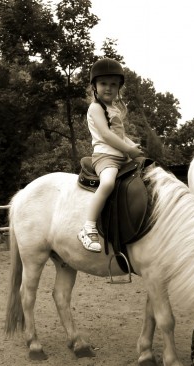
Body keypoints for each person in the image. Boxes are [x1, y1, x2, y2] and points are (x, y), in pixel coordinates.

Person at [78, 58, 144, 252]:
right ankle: (88, 226)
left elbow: (120, 136)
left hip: (122, 156)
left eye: (113, 84)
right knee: (107, 183)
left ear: (119, 88)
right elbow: (106, 136)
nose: (108, 88)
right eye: (103, 83)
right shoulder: (95, 108)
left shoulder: (115, 109)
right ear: (94, 86)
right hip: (104, 156)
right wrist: (128, 149)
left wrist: (135, 149)